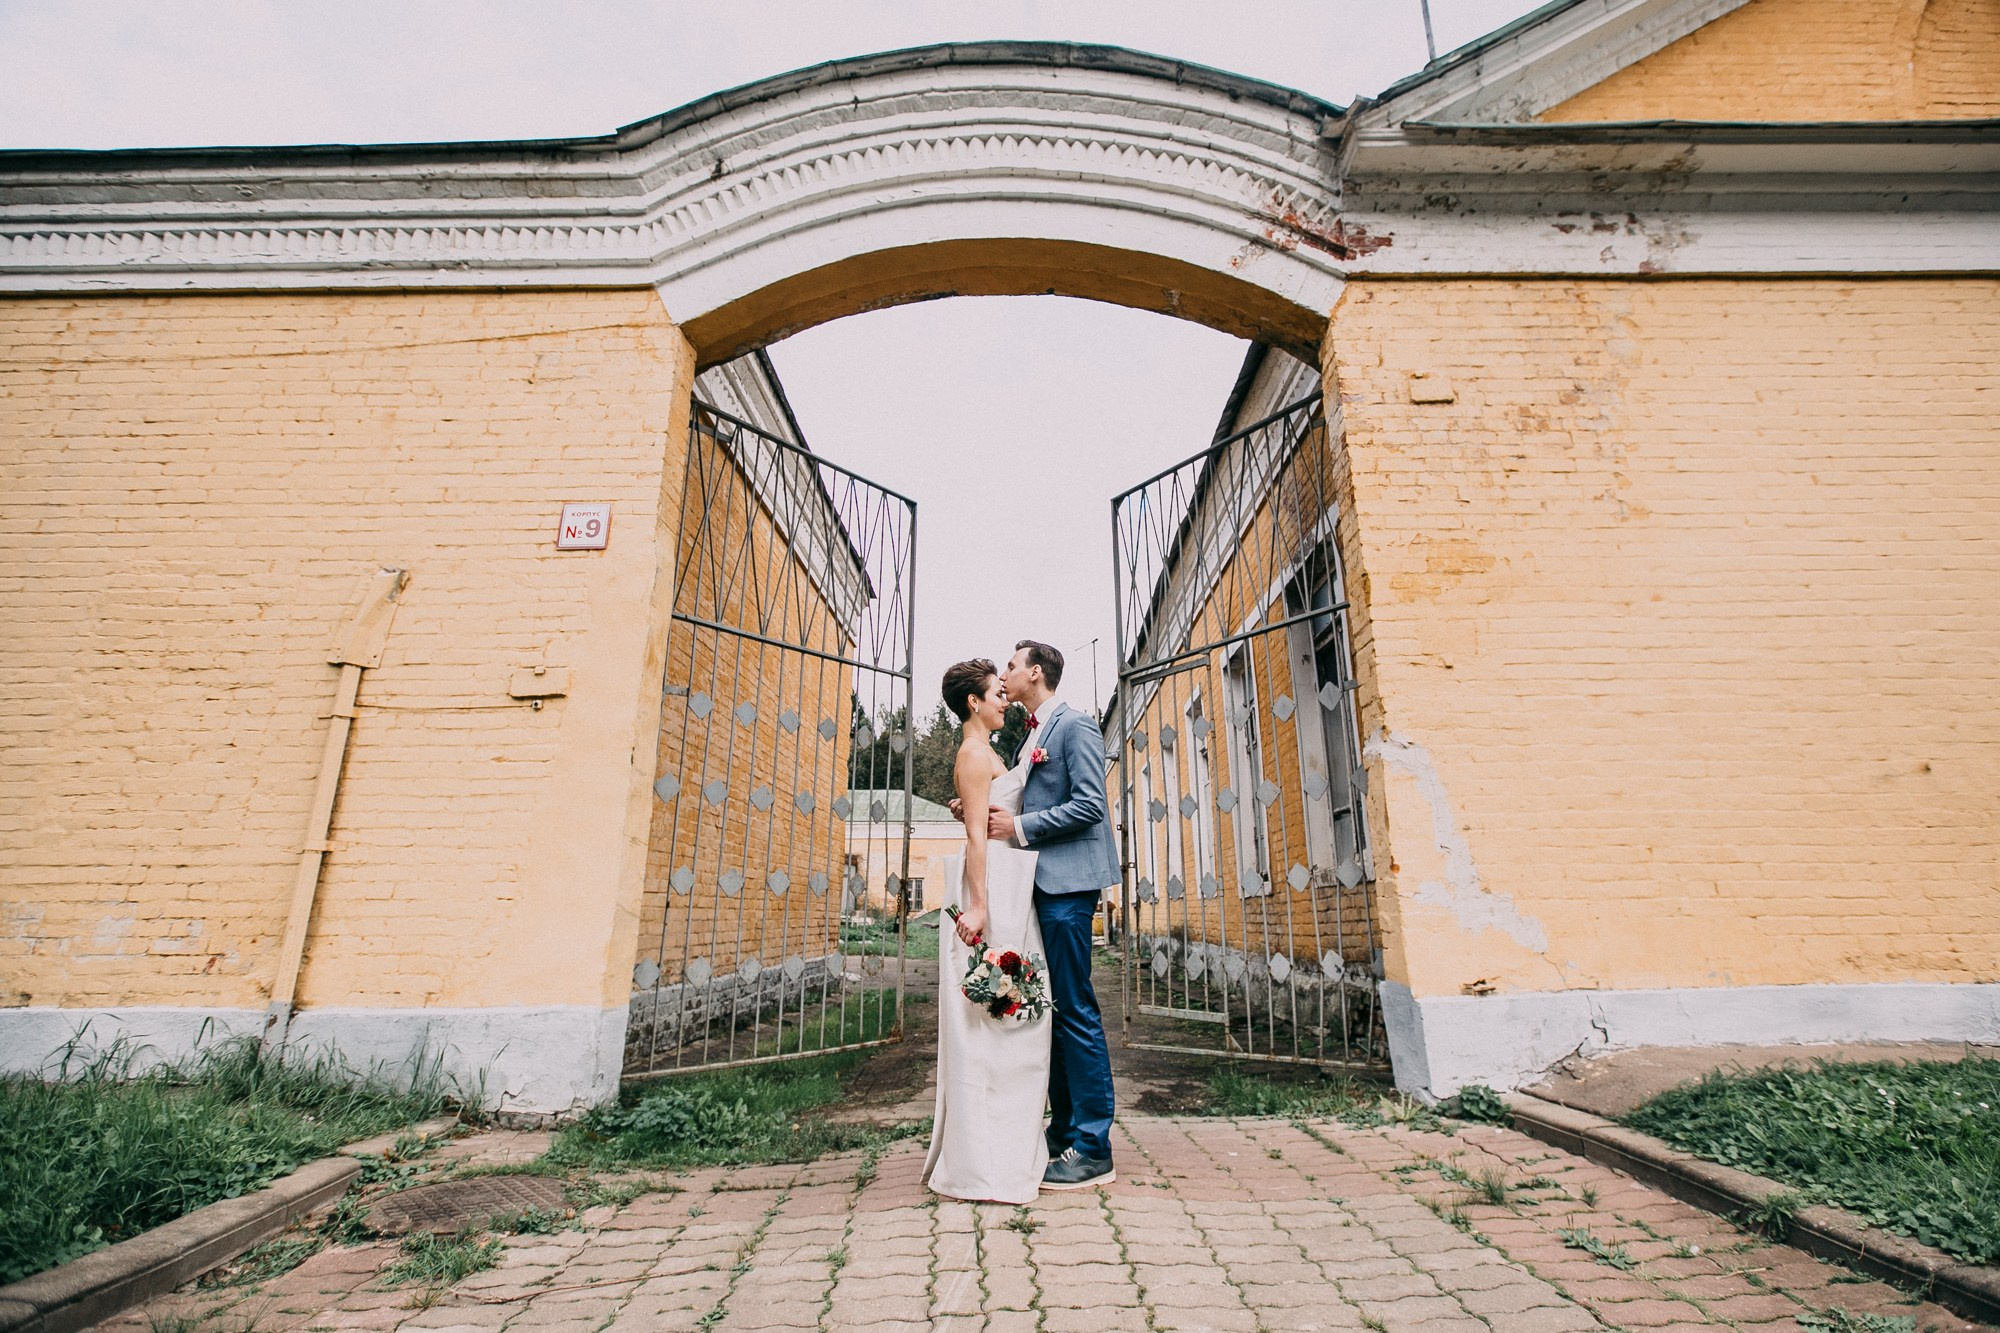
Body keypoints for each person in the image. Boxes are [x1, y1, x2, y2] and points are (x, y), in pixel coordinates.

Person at [989, 640, 1120, 1189]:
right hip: (1044, 886)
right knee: (1055, 1011)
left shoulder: (1075, 726)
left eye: (1012, 665)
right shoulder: (1035, 732)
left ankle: (1094, 1147)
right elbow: (1034, 796)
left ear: (1035, 673)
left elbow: (1090, 804)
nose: (1005, 673)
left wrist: (1018, 829)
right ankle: (1064, 1132)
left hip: (1068, 887)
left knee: (1076, 1011)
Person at [922, 658, 1051, 1204]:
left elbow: (982, 816)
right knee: (993, 1024)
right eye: (998, 694)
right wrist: (977, 909)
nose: (1006, 700)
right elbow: (978, 838)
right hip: (990, 891)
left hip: (1005, 884)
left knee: (1015, 1022)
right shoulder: (974, 756)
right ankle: (983, 1163)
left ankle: (1004, 1145)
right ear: (973, 702)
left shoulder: (987, 753)